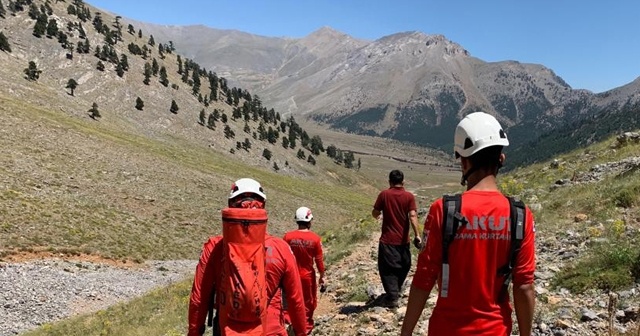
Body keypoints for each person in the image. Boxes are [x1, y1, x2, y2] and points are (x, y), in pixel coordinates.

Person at [400, 112, 536, 336]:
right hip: (496, 330)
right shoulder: (519, 215)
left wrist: (405, 333)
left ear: (463, 161)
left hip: (446, 329)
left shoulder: (443, 210)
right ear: (501, 159)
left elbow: (423, 279)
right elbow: (524, 286)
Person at [188, 178, 307, 336]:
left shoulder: (214, 248)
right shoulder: (281, 248)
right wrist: (301, 333)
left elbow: (199, 298)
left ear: (231, 206)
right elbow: (296, 299)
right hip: (270, 331)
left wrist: (194, 333)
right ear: (263, 207)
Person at [372, 169, 421, 308]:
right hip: (403, 240)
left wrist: (377, 216)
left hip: (387, 240)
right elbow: (412, 216)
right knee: (404, 265)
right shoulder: (409, 197)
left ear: (389, 182)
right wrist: (417, 234)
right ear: (403, 181)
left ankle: (393, 296)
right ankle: (394, 292)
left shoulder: (384, 195)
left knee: (387, 268)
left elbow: (375, 212)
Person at [283, 206, 326, 334]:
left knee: (289, 299)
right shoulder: (315, 239)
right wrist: (322, 276)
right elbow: (319, 261)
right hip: (307, 276)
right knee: (308, 302)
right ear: (309, 221)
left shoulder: (288, 237)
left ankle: (288, 323)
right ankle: (305, 328)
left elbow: (282, 256)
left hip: (290, 276)